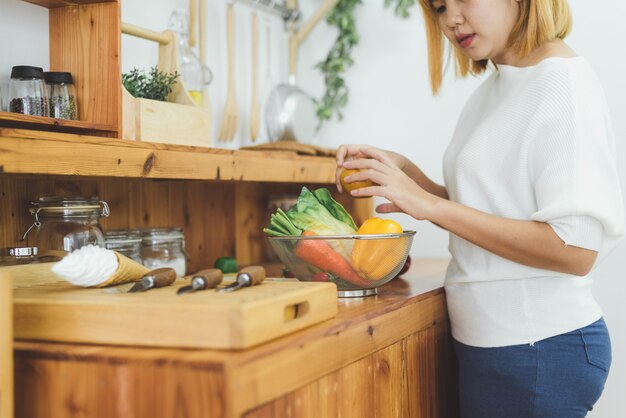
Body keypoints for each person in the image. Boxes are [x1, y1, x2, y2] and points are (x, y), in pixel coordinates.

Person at [335, 0, 624, 417]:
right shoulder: (494, 89)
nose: (451, 19)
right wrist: (404, 171)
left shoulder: (562, 81)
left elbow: (575, 249)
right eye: (438, 7)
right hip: (495, 346)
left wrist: (429, 204)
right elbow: (481, 208)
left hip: (538, 349)